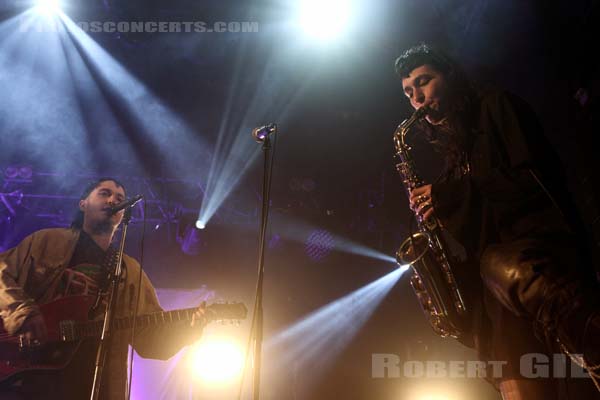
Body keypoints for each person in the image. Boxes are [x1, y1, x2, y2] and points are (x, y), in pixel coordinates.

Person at [394, 44, 600, 399]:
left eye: (424, 82)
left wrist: (447, 196)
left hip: (539, 254)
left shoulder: (497, 106)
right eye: (409, 93)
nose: (417, 99)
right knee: (507, 370)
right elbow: (479, 225)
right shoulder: (454, 154)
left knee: (497, 265)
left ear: (451, 76)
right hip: (499, 286)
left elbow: (533, 182)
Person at [0, 178, 206, 399]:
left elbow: (148, 338)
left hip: (96, 386)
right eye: (104, 193)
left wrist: (188, 329)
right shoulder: (47, 241)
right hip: (30, 378)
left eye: (119, 198)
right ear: (83, 204)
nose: (112, 200)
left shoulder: (130, 271)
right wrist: (23, 313)